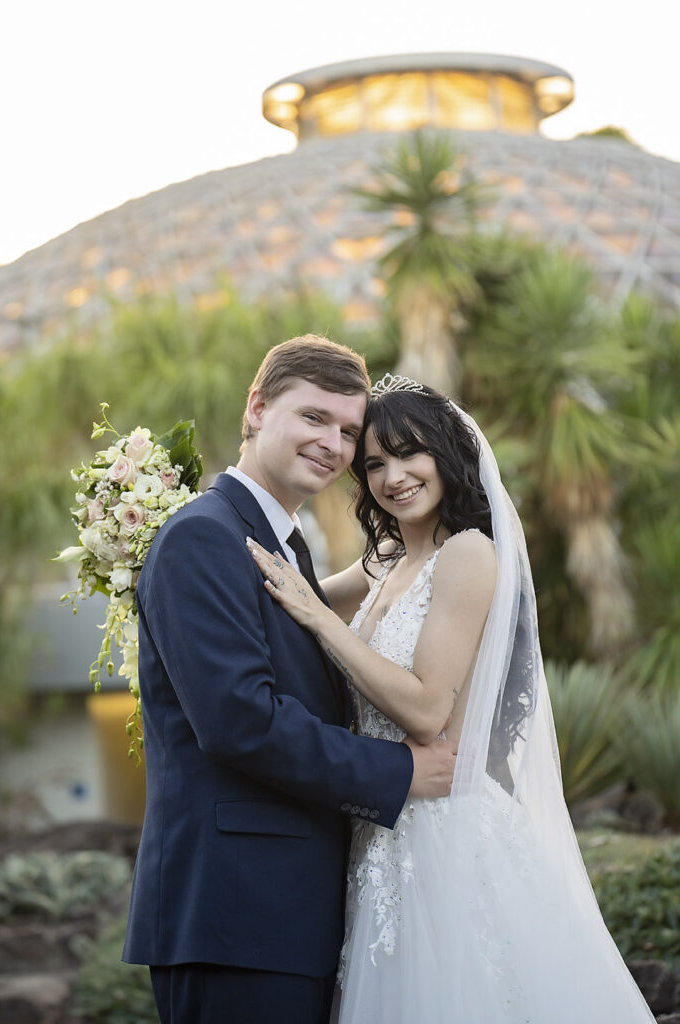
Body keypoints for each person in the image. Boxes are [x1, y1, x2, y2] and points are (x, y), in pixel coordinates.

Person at [247, 373, 656, 1024]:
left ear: (446, 455)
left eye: (410, 453)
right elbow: (284, 597)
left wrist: (322, 623)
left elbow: (425, 708)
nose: (393, 476)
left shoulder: (467, 554)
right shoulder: (385, 560)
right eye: (374, 463)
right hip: (377, 828)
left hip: (442, 833)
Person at [122, 340, 457, 1024]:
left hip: (285, 916)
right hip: (235, 917)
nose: (332, 444)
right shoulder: (202, 537)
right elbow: (239, 719)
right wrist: (399, 771)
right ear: (257, 407)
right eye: (313, 419)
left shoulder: (285, 546)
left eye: (345, 432)